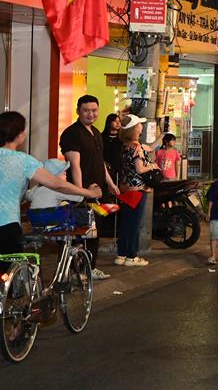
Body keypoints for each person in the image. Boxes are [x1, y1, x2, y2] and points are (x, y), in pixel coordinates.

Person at [1, 111, 101, 255]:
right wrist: (90, 192)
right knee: (8, 267)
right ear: (20, 134)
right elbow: (57, 184)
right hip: (7, 224)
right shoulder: (24, 161)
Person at [60, 95, 120, 280]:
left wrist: (110, 184)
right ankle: (76, 272)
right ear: (78, 111)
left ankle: (90, 269)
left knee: (94, 231)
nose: (90, 114)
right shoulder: (72, 133)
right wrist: (80, 192)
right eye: (86, 110)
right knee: (80, 233)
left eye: (94, 110)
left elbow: (100, 162)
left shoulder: (95, 133)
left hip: (97, 193)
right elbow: (75, 165)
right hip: (80, 195)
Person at [116, 113, 161, 267]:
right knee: (134, 224)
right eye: (140, 124)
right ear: (135, 128)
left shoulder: (126, 146)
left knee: (126, 223)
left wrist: (161, 137)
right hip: (138, 189)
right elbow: (140, 169)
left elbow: (150, 147)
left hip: (125, 189)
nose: (142, 126)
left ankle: (121, 254)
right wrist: (153, 166)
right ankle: (132, 256)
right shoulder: (137, 147)